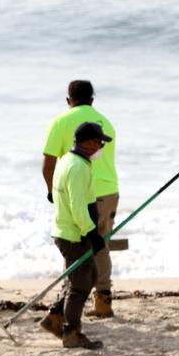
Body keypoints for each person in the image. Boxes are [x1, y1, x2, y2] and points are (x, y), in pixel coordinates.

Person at [42, 80, 119, 317]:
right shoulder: (106, 122)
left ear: (68, 100)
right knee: (100, 246)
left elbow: (48, 165)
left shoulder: (60, 122)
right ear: (92, 100)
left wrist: (52, 193)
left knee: (77, 247)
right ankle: (103, 301)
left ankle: (66, 304)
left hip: (78, 192)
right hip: (108, 190)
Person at [39, 121, 111, 350]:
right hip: (74, 234)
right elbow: (78, 207)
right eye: (99, 142)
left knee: (87, 277)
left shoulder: (69, 161)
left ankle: (54, 317)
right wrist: (91, 233)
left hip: (68, 230)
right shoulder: (78, 168)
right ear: (88, 143)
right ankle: (71, 332)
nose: (101, 146)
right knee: (80, 284)